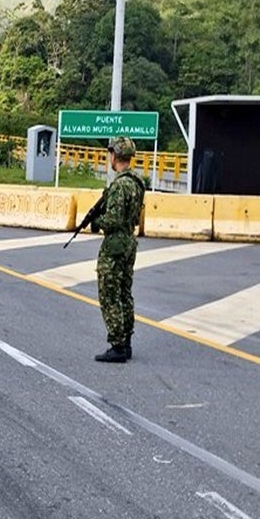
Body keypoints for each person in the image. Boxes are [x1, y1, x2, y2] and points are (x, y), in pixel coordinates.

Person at [92, 137, 146, 363]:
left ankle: (117, 345)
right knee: (124, 293)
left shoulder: (119, 185)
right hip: (129, 243)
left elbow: (112, 219)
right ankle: (126, 341)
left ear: (114, 155)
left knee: (109, 294)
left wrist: (97, 220)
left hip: (114, 244)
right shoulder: (136, 182)